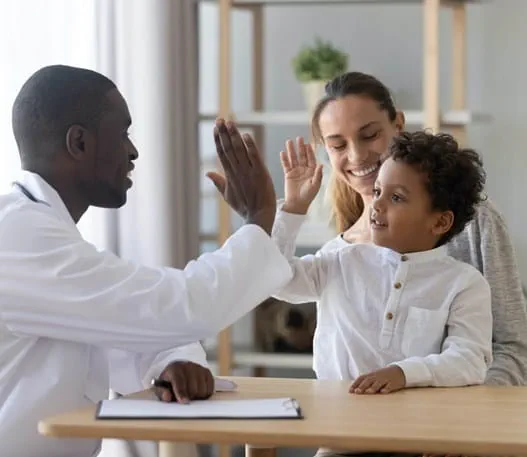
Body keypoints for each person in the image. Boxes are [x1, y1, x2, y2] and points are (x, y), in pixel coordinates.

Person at [0, 65, 292, 457]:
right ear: (79, 143)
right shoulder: (20, 237)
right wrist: (258, 219)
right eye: (122, 134)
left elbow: (124, 324)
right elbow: (180, 305)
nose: (133, 151)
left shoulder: (38, 230)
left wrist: (171, 359)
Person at [300, 71, 527, 387]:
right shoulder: (340, 253)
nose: (356, 155)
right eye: (338, 145)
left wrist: (455, 415)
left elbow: (511, 348)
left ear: (398, 125)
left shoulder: (477, 222)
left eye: (369, 135)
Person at [272, 129, 492, 393]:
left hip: (414, 425)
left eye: (396, 197)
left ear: (440, 221)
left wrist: (404, 373)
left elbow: (469, 361)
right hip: (334, 417)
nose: (376, 205)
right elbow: (276, 280)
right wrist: (293, 210)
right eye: (377, 191)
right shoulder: (340, 260)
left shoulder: (464, 283)